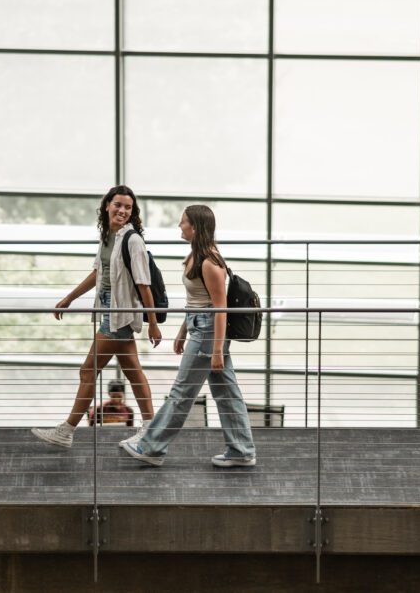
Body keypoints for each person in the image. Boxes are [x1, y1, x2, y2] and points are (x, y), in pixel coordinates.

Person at [121, 204, 256, 467]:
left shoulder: (209, 262)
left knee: (181, 392)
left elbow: (220, 309)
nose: (179, 226)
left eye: (183, 222)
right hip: (199, 327)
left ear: (195, 226)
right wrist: (183, 332)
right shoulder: (196, 256)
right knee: (227, 392)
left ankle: (151, 448)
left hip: (208, 333)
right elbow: (196, 301)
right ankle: (241, 450)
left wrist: (216, 350)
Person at [32, 185, 162, 448]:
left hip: (118, 313)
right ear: (107, 206)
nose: (122, 210)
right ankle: (151, 431)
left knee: (88, 371)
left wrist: (154, 324)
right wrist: (70, 298)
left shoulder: (133, 240)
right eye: (118, 205)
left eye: (128, 207)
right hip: (108, 308)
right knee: (134, 373)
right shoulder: (108, 236)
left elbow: (144, 283)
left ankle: (66, 430)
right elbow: (97, 273)